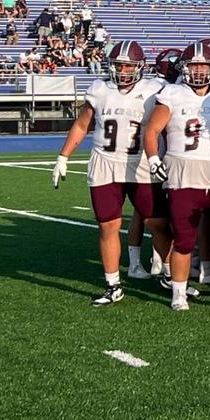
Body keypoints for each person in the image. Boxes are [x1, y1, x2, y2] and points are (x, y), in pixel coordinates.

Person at [50, 41, 174, 306]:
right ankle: (113, 284)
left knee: (157, 223)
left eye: (129, 65)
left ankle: (169, 273)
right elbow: (82, 125)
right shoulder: (99, 89)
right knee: (108, 226)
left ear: (140, 66)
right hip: (105, 163)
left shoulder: (155, 90)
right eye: (119, 65)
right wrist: (63, 156)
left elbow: (166, 127)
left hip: (141, 164)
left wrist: (165, 157)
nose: (124, 70)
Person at [142, 42, 210, 311]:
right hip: (183, 173)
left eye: (204, 65)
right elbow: (152, 130)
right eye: (194, 65)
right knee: (183, 238)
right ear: (185, 68)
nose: (199, 71)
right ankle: (179, 293)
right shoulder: (172, 93)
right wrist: (154, 158)